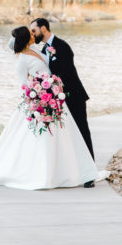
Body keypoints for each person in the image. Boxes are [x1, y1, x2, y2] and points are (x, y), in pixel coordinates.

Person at [0, 26, 106, 190]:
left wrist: (52, 87)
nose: (33, 34)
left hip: (53, 98)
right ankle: (42, 173)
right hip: (38, 101)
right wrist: (38, 95)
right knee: (41, 138)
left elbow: (48, 68)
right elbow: (23, 84)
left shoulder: (36, 50)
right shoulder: (21, 59)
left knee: (66, 136)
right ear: (25, 38)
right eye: (30, 33)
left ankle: (72, 170)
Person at [29, 18, 95, 177]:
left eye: (34, 30)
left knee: (82, 132)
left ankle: (90, 172)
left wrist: (53, 84)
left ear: (43, 28)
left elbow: (67, 73)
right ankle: (72, 170)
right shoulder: (45, 50)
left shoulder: (62, 46)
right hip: (58, 100)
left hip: (74, 96)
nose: (33, 34)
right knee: (67, 135)